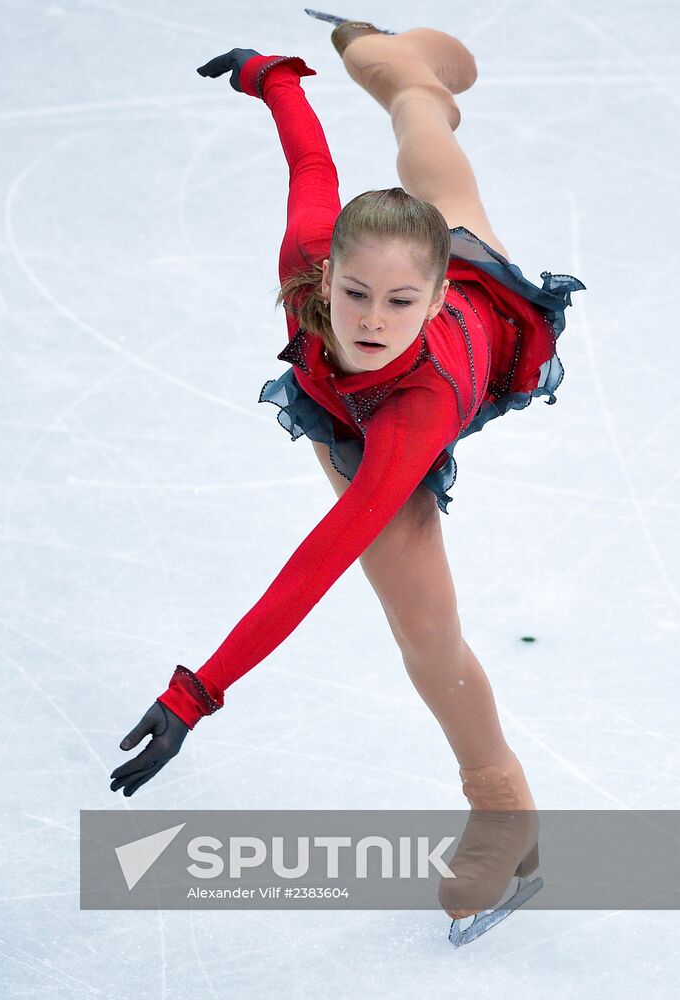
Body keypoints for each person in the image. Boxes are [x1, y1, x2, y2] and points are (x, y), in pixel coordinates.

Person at [109, 17, 584, 932]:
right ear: (326, 277)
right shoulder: (311, 262)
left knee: (425, 633)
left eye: (401, 301)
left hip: (422, 391)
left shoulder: (418, 407)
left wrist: (194, 694)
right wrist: (273, 77)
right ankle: (391, 60)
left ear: (436, 297)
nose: (371, 318)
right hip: (348, 402)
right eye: (355, 293)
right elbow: (311, 170)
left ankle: (503, 805)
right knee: (422, 140)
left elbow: (317, 559)